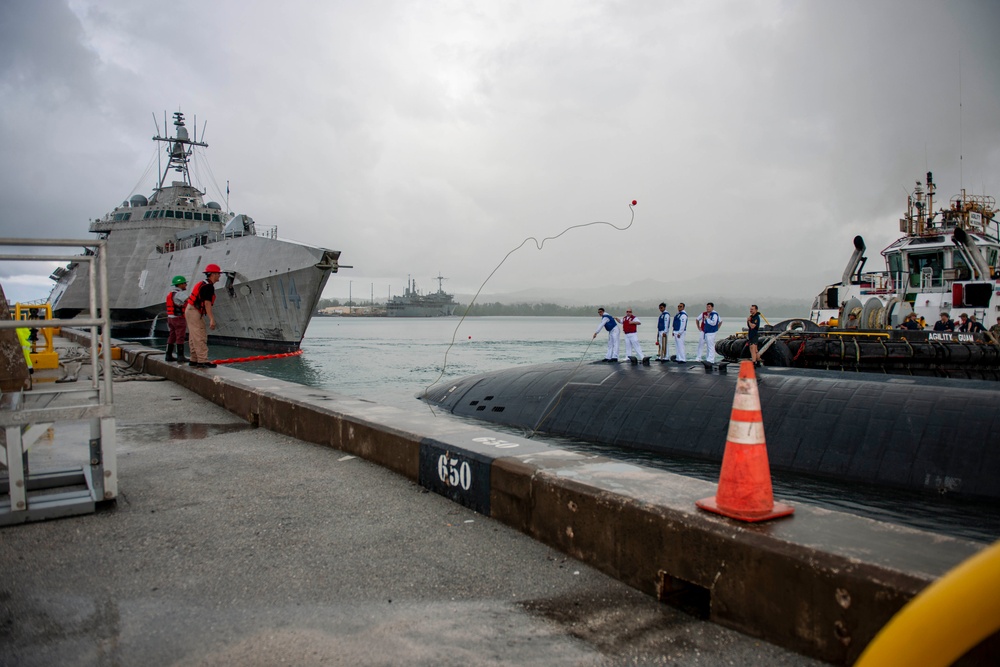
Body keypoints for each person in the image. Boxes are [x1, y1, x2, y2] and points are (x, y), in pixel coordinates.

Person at [185, 263, 223, 368]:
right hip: (194, 311)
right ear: (213, 274)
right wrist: (212, 319)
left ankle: (194, 359)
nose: (220, 276)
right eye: (218, 274)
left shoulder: (203, 284)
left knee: (194, 336)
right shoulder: (208, 286)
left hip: (191, 310)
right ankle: (202, 360)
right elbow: (207, 303)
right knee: (200, 335)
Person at [165, 275, 188, 362]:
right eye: (184, 283)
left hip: (170, 318)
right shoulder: (179, 294)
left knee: (172, 335)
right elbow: (189, 301)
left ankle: (168, 355)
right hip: (178, 318)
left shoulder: (170, 293)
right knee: (180, 336)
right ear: (180, 284)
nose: (186, 285)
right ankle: (180, 356)